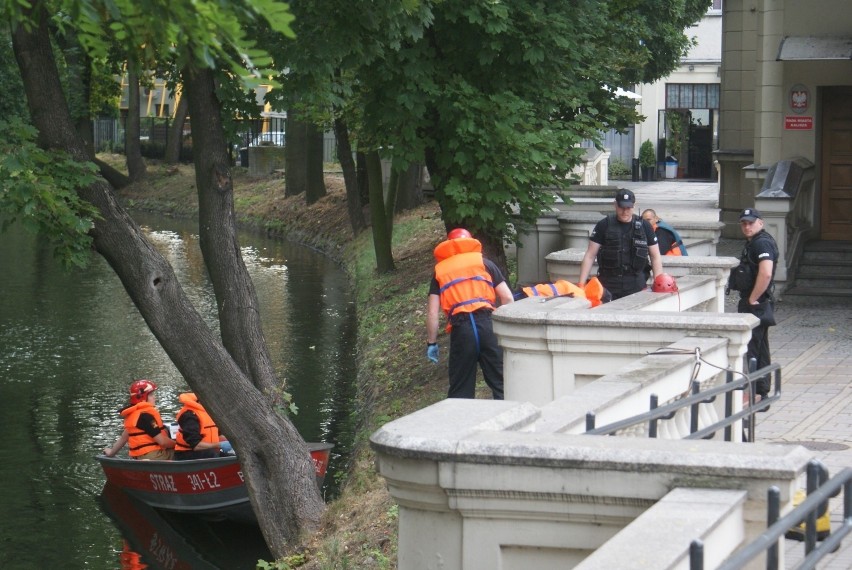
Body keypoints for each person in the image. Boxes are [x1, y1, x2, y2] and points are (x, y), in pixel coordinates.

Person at [426, 228, 514, 399]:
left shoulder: (440, 271)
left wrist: (432, 343)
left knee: (461, 389)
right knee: (502, 383)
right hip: (488, 325)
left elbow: (432, 313)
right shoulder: (484, 263)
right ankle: (513, 421)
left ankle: (463, 422)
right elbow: (507, 298)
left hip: (462, 329)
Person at [729, 208, 779, 400]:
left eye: (751, 222)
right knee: (760, 347)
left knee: (751, 349)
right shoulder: (755, 242)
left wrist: (752, 298)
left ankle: (752, 393)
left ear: (761, 222)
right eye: (744, 223)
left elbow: (766, 272)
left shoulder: (762, 243)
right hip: (759, 302)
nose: (747, 226)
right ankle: (761, 391)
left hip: (756, 303)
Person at [577, 189, 663, 300]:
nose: (625, 211)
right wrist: (581, 285)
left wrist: (659, 284)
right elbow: (590, 255)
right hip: (608, 285)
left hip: (636, 284)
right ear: (615, 205)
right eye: (621, 207)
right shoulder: (604, 225)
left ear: (634, 206)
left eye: (628, 208)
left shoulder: (644, 226)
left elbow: (655, 256)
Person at [103, 379, 175, 460]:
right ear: (142, 398)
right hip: (154, 456)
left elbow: (123, 439)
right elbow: (163, 442)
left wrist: (111, 453)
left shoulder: (134, 415)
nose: (155, 397)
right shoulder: (146, 417)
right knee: (183, 452)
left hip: (140, 457)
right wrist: (177, 444)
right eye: (151, 395)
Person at [173, 392, 224, 460]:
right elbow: (196, 445)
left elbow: (219, 435)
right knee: (212, 454)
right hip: (186, 453)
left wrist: (233, 443)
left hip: (209, 452)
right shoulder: (189, 415)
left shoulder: (209, 412)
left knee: (234, 456)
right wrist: (220, 445)